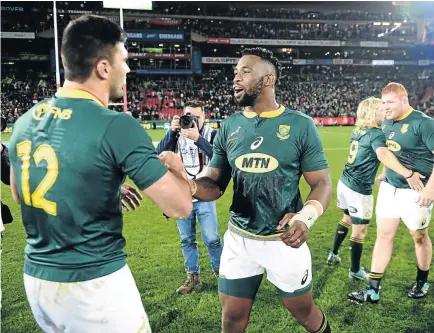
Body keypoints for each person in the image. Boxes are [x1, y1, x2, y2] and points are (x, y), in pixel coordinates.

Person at [8, 15, 192, 333]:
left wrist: (94, 183)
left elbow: (19, 192)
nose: (128, 70)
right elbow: (179, 207)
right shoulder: (116, 124)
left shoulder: (25, 120)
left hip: (37, 280)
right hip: (92, 285)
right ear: (103, 68)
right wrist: (179, 170)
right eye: (124, 60)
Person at [185, 47, 333, 333]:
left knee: (305, 314)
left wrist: (305, 217)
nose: (235, 78)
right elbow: (214, 184)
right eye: (235, 73)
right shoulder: (230, 126)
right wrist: (189, 184)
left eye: (245, 72)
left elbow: (322, 183)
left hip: (284, 239)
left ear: (268, 80)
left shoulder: (300, 125)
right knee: (231, 319)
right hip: (239, 240)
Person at [349, 82, 434, 304]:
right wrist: (385, 172)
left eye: (390, 102)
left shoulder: (423, 123)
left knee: (419, 236)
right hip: (389, 189)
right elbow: (392, 150)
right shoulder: (386, 123)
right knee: (384, 236)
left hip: (415, 192)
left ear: (404, 100)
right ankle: (372, 290)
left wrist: (431, 188)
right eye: (383, 102)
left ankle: (422, 280)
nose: (385, 107)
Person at [327, 97, 424, 281]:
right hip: (359, 188)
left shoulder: (358, 130)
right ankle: (355, 270)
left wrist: (383, 172)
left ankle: (333, 253)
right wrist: (407, 173)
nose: (385, 111)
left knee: (346, 217)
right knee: (360, 230)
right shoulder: (376, 133)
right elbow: (383, 154)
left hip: (344, 182)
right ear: (373, 112)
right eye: (381, 109)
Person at [156, 100, 223, 294]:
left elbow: (221, 158)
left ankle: (221, 275)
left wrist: (198, 139)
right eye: (189, 117)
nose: (192, 121)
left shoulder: (212, 134)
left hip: (204, 194)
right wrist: (171, 131)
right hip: (182, 195)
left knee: (212, 238)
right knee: (186, 239)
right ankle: (192, 277)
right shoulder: (177, 135)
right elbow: (158, 154)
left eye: (197, 117)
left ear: (204, 117)